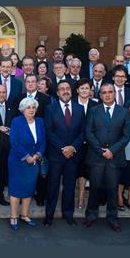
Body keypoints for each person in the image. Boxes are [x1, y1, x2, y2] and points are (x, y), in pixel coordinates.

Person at [83, 83, 130, 232]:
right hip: (97, 157)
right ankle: (91, 215)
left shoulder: (123, 112)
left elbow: (126, 136)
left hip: (114, 158)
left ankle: (112, 218)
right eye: (104, 93)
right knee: (95, 188)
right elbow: (88, 133)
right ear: (100, 95)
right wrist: (101, 150)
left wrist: (112, 151)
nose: (107, 95)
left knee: (112, 189)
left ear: (114, 94)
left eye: (110, 92)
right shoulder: (93, 111)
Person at [44, 81, 85, 227]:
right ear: (57, 93)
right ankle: (49, 215)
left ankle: (68, 214)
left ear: (71, 91)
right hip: (56, 155)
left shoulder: (80, 109)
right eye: (62, 89)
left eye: (67, 89)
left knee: (69, 186)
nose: (65, 91)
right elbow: (49, 132)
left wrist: (72, 148)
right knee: (53, 186)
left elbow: (82, 132)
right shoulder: (50, 109)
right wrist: (63, 148)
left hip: (73, 155)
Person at [8, 97, 45, 230]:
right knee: (16, 190)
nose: (31, 110)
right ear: (23, 110)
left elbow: (43, 142)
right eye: (28, 107)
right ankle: (13, 217)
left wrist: (37, 155)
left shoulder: (40, 122)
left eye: (33, 107)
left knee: (29, 189)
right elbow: (14, 142)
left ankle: (24, 215)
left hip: (34, 162)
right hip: (18, 162)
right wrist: (27, 156)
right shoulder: (16, 122)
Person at [74, 79, 99, 209]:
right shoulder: (71, 103)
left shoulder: (96, 105)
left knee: (86, 170)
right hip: (75, 143)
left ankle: (82, 195)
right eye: (82, 88)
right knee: (77, 170)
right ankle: (79, 194)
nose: (84, 90)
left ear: (91, 90)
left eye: (87, 88)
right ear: (77, 90)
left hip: (91, 144)